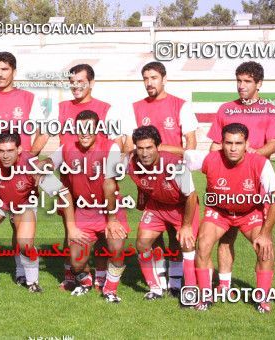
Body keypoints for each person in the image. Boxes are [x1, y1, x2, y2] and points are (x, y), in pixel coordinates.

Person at [185, 123, 275, 312]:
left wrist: (266, 234)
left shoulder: (260, 162)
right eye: (228, 143)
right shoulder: (209, 159)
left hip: (249, 213)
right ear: (221, 143)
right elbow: (181, 157)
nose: (233, 148)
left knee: (265, 249)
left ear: (247, 143)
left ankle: (262, 299)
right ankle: (205, 296)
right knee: (203, 244)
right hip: (219, 212)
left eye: (238, 143)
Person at [0, 51, 49, 286]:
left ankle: (19, 270)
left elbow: (44, 132)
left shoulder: (29, 98)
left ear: (14, 71)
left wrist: (30, 155)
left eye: (4, 69)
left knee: (21, 227)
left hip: (22, 175)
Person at [206, 61, 275, 293]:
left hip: (256, 186)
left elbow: (272, 145)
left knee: (262, 241)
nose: (241, 86)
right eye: (239, 81)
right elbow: (215, 145)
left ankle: (263, 296)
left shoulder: (271, 111)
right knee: (226, 238)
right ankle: (224, 286)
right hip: (225, 186)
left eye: (247, 81)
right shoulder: (225, 109)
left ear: (259, 84)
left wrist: (248, 160)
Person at [125, 61, 199, 294]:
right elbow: (130, 147)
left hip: (173, 178)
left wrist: (164, 153)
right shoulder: (135, 107)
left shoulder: (181, 105)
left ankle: (177, 282)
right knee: (149, 238)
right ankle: (159, 283)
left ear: (164, 79)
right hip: (151, 186)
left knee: (178, 239)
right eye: (145, 78)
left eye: (154, 77)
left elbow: (191, 147)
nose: (149, 83)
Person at [56, 63, 127, 291]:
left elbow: (119, 144)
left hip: (102, 187)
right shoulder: (61, 109)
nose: (75, 86)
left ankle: (103, 280)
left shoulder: (107, 110)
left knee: (108, 239)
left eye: (80, 81)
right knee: (71, 232)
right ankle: (75, 276)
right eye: (72, 82)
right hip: (73, 184)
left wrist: (115, 168)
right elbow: (47, 158)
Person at [46, 110, 130, 303]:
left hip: (110, 208)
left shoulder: (111, 148)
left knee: (115, 247)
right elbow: (49, 163)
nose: (84, 133)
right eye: (80, 129)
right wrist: (41, 168)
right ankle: (86, 279)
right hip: (85, 210)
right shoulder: (67, 147)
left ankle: (109, 289)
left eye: (89, 128)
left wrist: (112, 220)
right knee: (76, 260)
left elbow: (109, 184)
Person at [0, 131, 63, 298]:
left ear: (19, 149)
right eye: (1, 151)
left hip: (24, 202)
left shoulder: (32, 164)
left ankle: (32, 281)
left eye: (10, 151)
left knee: (25, 244)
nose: (5, 156)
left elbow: (61, 191)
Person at [127, 126, 199, 300]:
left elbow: (191, 196)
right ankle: (156, 288)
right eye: (140, 148)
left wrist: (187, 225)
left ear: (158, 147)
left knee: (185, 244)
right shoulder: (130, 163)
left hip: (182, 206)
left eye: (149, 148)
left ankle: (186, 288)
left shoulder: (175, 166)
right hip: (157, 206)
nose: (144, 153)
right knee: (142, 244)